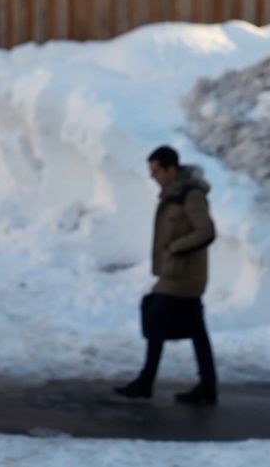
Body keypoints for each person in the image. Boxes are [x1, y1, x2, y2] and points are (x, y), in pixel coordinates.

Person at [114, 145, 217, 405]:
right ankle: (207, 386)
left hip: (183, 275)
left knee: (155, 317)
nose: (153, 176)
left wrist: (175, 248)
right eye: (151, 171)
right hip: (176, 273)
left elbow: (205, 231)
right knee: (196, 330)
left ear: (172, 168)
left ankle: (146, 382)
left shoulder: (190, 196)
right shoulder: (173, 194)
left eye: (157, 170)